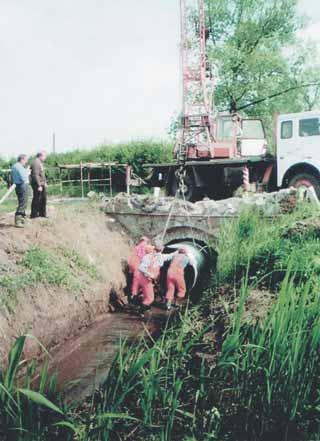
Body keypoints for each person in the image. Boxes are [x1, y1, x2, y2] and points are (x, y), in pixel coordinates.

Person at [11, 154, 30, 228]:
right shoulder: (19, 167)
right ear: (22, 159)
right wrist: (28, 172)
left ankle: (22, 219)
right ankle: (18, 221)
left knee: (22, 202)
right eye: (25, 160)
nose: (26, 162)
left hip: (18, 185)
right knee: (23, 203)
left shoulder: (14, 166)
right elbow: (23, 177)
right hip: (22, 185)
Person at [30, 151, 48, 218]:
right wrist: (39, 185)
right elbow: (35, 175)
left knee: (43, 199)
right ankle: (34, 214)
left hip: (41, 183)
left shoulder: (40, 163)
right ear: (40, 156)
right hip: (38, 184)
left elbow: (41, 174)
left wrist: (45, 182)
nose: (45, 158)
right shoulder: (36, 163)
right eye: (45, 156)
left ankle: (42, 214)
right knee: (37, 198)